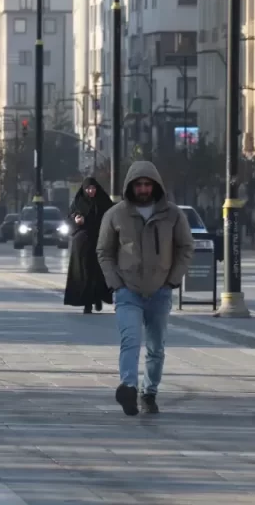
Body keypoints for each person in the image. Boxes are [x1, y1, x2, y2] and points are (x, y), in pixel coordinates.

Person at [97, 161, 194, 416]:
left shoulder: (172, 214)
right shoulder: (116, 214)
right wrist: (115, 282)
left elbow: (186, 247)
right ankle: (128, 387)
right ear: (130, 186)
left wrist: (173, 279)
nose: (142, 189)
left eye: (147, 184)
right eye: (138, 185)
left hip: (160, 290)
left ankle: (149, 392)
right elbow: (104, 252)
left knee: (156, 347)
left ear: (155, 186)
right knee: (130, 340)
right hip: (128, 290)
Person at [63, 177, 114, 315]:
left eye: (93, 188)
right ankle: (87, 303)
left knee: (99, 273)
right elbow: (68, 219)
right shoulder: (78, 203)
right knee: (84, 272)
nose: (90, 191)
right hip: (82, 243)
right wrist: (76, 220)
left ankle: (97, 298)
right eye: (88, 188)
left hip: (100, 241)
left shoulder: (104, 202)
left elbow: (112, 217)